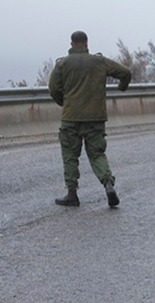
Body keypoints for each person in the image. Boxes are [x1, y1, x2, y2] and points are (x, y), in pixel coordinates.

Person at [47, 30, 132, 207]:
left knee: (70, 155)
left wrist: (65, 103)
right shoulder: (99, 62)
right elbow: (125, 72)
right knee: (97, 154)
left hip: (71, 118)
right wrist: (122, 87)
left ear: (71, 44)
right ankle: (108, 184)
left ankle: (72, 194)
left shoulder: (62, 64)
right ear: (87, 43)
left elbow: (53, 88)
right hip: (95, 118)